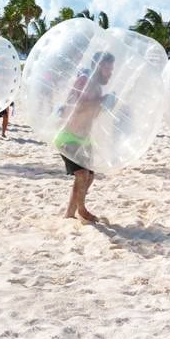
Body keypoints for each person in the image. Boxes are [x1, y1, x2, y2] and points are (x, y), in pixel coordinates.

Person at [56, 51, 115, 222]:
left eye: (111, 71)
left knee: (88, 176)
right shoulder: (83, 81)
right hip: (68, 135)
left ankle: (69, 213)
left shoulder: (97, 87)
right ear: (98, 67)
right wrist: (102, 101)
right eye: (107, 70)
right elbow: (76, 106)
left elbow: (91, 114)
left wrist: (105, 105)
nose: (110, 74)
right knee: (82, 175)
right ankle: (82, 210)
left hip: (83, 138)